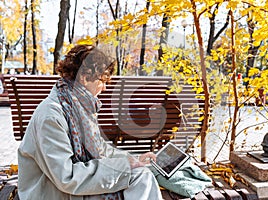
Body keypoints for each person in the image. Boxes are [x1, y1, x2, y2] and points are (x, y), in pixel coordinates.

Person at [18, 44, 163, 200]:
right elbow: (67, 177)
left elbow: (100, 149)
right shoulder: (52, 116)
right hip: (50, 193)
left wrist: (132, 159)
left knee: (140, 173)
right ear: (85, 77)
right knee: (141, 177)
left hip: (67, 188)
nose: (105, 88)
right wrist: (125, 167)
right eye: (102, 80)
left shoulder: (75, 106)